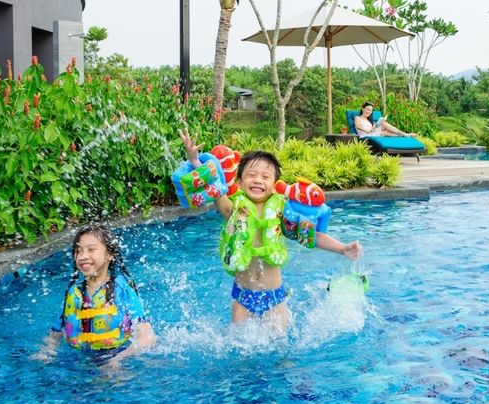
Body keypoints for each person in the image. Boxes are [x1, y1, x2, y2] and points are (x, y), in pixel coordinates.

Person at [180, 129, 362, 330]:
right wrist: (194, 160)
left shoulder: (282, 211)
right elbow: (212, 186)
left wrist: (342, 249)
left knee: (280, 345)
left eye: (265, 176)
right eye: (251, 175)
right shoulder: (233, 208)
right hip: (242, 297)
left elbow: (310, 236)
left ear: (275, 185)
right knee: (240, 346)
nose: (258, 180)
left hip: (274, 297)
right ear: (239, 182)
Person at [35, 225, 156, 366]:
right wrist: (46, 351)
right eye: (78, 251)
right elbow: (56, 333)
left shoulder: (122, 290)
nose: (82, 256)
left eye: (91, 250)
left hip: (116, 354)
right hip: (76, 358)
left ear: (110, 254)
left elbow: (147, 337)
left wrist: (118, 359)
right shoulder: (73, 292)